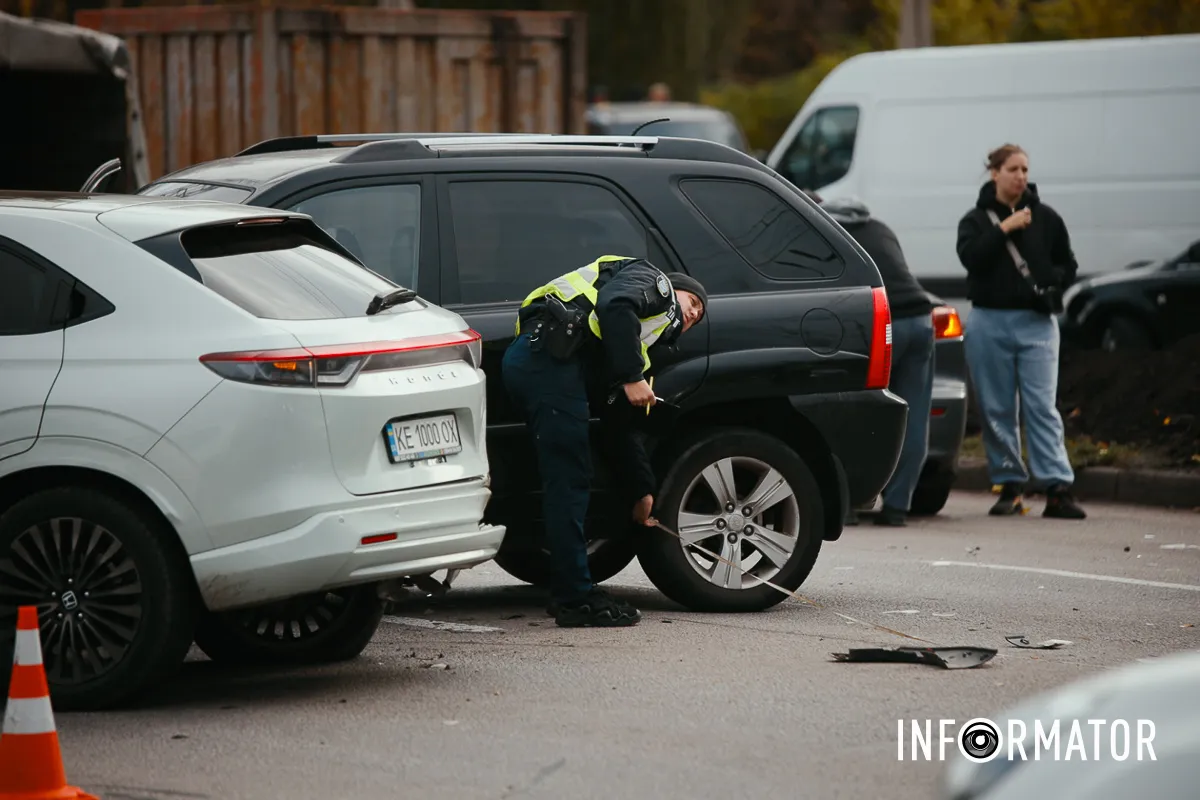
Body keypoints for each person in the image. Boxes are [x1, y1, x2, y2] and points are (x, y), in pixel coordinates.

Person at [502, 255, 708, 627]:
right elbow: (616, 303)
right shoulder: (653, 281)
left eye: (699, 315)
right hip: (547, 355)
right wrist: (631, 377)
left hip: (546, 362)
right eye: (692, 302)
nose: (693, 314)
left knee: (570, 477)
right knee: (569, 479)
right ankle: (574, 598)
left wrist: (642, 491)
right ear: (674, 289)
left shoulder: (636, 349)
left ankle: (573, 590)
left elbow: (619, 428)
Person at [956, 143, 1086, 520]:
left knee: (1041, 406)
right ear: (994, 172)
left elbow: (1068, 262)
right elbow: (971, 258)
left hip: (1036, 323)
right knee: (997, 408)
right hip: (989, 321)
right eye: (1013, 169)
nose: (1021, 176)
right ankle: (1009, 485)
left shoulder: (1046, 218)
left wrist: (1053, 283)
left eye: (1025, 169)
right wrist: (1004, 230)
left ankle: (1057, 487)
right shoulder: (975, 220)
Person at [812, 192, 935, 527]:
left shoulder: (826, 233)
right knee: (913, 415)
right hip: (921, 319)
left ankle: (848, 503)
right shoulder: (880, 227)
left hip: (880, 322)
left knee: (855, 410)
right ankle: (897, 507)